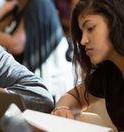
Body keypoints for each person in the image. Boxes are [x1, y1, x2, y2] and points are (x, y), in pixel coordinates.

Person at [51, 0, 124, 131]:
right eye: (82, 32)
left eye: (90, 28)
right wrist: (62, 109)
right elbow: (73, 96)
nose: (83, 40)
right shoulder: (110, 72)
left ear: (116, 21)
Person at [0, 0, 74, 101]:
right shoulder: (17, 8)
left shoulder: (39, 3)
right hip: (33, 82)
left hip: (52, 89)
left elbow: (17, 44)